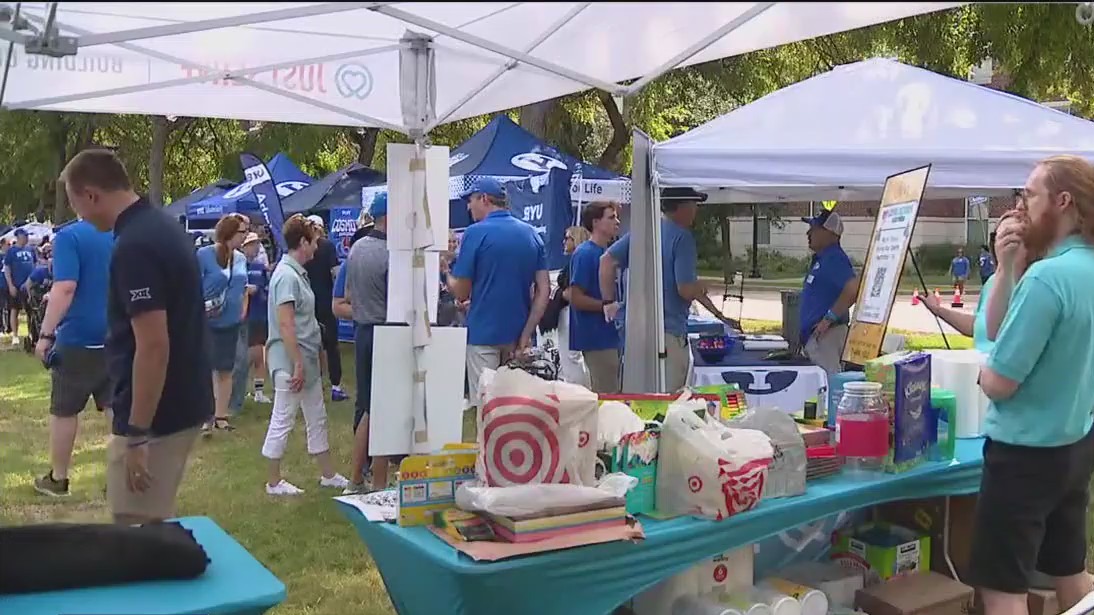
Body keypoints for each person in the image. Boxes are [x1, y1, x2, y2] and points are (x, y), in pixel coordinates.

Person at [63, 148, 212, 524]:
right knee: (149, 524)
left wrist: (138, 435)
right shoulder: (160, 226)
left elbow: (153, 346)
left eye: (75, 203)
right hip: (180, 399)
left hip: (159, 414)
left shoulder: (136, 246)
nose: (77, 214)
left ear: (91, 195)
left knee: (135, 534)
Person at [973, 155, 1094, 615]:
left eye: (1029, 195)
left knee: (1003, 588)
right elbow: (999, 326)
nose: (1019, 207)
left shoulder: (1050, 279)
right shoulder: (1066, 269)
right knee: (1069, 570)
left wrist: (984, 374)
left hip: (1024, 456)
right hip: (1075, 442)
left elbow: (999, 381)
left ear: (1062, 202)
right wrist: (1007, 268)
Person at [599, 187, 737, 392]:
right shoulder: (682, 238)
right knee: (669, 401)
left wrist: (608, 302)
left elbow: (606, 261)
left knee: (637, 397)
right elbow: (685, 289)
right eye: (693, 205)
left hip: (635, 333)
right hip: (669, 334)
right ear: (681, 207)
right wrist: (702, 288)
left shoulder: (643, 232)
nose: (696, 210)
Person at [261, 215, 349, 495]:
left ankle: (328, 474)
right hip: (291, 361)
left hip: (306, 358)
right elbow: (286, 324)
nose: (317, 246)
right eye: (313, 241)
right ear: (302, 242)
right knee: (283, 417)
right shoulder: (287, 276)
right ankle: (273, 482)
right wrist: (297, 363)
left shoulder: (296, 272)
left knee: (317, 415)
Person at [446, 178, 550, 409]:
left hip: (483, 334)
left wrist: (445, 274)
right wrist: (527, 331)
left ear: (484, 198)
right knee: (514, 410)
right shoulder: (532, 234)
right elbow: (544, 290)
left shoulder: (475, 233)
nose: (468, 206)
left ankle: (487, 446)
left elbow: (461, 292)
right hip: (518, 336)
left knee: (487, 410)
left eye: (470, 200)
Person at [31, 218, 114, 497]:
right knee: (117, 409)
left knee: (65, 410)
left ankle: (58, 478)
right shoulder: (126, 232)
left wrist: (45, 335)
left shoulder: (69, 236)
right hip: (118, 335)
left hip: (79, 336)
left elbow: (65, 288)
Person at [339, 193, 391, 493]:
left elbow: (348, 293)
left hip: (363, 331)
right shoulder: (389, 253)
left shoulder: (357, 248)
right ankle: (363, 478)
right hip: (385, 332)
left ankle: (360, 477)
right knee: (380, 409)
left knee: (368, 405)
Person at [196, 213, 251, 433]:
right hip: (207, 321)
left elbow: (243, 286)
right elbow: (192, 285)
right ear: (229, 233)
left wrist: (242, 310)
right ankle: (205, 415)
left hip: (231, 321)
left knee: (226, 368)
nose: (245, 236)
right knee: (206, 368)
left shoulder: (241, 258)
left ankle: (221, 416)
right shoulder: (204, 255)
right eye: (241, 232)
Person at [566, 203, 622, 394]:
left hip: (611, 337)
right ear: (596, 222)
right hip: (596, 338)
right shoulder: (585, 254)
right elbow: (576, 297)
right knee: (607, 393)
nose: (617, 222)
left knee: (614, 391)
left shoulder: (610, 253)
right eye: (611, 217)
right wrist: (606, 306)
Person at [797, 211, 857, 376]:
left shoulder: (834, 258)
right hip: (817, 338)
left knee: (828, 386)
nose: (808, 233)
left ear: (829, 233)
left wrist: (828, 319)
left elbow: (853, 288)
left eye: (814, 229)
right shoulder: (823, 259)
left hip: (827, 337)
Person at [304, 214, 349, 403]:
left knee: (309, 344)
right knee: (331, 344)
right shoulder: (328, 247)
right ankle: (335, 387)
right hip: (325, 301)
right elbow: (336, 273)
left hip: (306, 300)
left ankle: (313, 385)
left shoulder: (303, 247)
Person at [228, 232, 273, 414]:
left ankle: (258, 392)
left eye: (257, 244)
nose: (255, 247)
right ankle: (233, 397)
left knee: (258, 354)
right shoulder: (236, 265)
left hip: (258, 315)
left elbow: (265, 288)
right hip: (242, 317)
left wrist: (260, 289)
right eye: (251, 244)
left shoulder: (260, 266)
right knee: (242, 358)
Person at [552, 225, 590, 387]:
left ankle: (577, 389)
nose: (564, 242)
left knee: (571, 356)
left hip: (571, 312)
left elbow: (573, 291)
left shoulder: (577, 262)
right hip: (570, 312)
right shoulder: (575, 262)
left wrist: (559, 293)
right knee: (570, 356)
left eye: (568, 238)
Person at [4, 228, 37, 347]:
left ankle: (32, 333)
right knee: (14, 310)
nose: (26, 238)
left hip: (29, 286)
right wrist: (10, 285)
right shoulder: (11, 251)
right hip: (16, 285)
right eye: (24, 236)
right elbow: (7, 269)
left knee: (31, 311)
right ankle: (15, 336)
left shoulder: (31, 249)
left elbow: (35, 264)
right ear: (18, 237)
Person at [0, 237, 10, 335]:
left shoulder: (9, 255)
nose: (9, 247)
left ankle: (9, 327)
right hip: (1, 283)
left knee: (9, 307)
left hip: (9, 284)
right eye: (8, 244)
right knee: (2, 306)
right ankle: (2, 327)